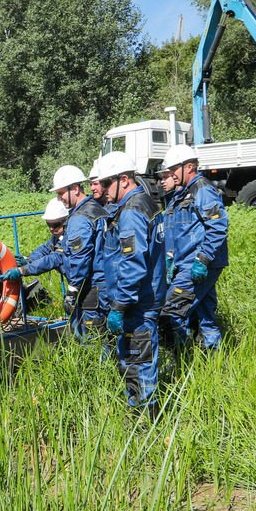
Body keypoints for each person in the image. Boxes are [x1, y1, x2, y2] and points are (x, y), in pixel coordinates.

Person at [97, 152, 167, 419]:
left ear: (123, 180)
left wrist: (119, 305)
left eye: (106, 183)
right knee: (139, 356)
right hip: (147, 294)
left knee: (138, 359)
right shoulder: (147, 203)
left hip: (138, 301)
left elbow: (133, 263)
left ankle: (145, 421)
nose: (102, 190)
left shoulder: (131, 212)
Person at [4, 166, 110, 336]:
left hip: (91, 286)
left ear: (75, 188)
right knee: (99, 334)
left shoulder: (79, 219)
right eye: (49, 225)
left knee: (91, 338)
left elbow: (69, 257)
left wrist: (72, 290)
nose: (59, 198)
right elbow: (49, 248)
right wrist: (29, 259)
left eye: (61, 193)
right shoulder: (95, 208)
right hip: (100, 283)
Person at [158, 145, 229, 351]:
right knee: (205, 313)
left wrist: (203, 259)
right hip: (189, 263)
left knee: (170, 313)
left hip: (198, 264)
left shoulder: (203, 190)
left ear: (189, 166)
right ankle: (213, 361)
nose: (170, 175)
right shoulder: (186, 193)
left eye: (173, 170)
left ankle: (180, 361)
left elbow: (218, 226)